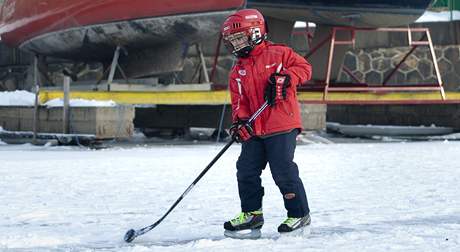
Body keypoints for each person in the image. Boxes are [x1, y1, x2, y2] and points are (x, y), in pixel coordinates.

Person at [221, 9, 312, 239]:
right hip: (254, 128)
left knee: (282, 170)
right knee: (246, 169)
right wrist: (240, 122)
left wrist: (286, 78)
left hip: (282, 124)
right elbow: (239, 101)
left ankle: (299, 214)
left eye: (239, 38)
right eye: (232, 41)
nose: (235, 45)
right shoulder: (237, 71)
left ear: (255, 33)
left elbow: (305, 69)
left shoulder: (280, 54)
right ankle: (252, 214)